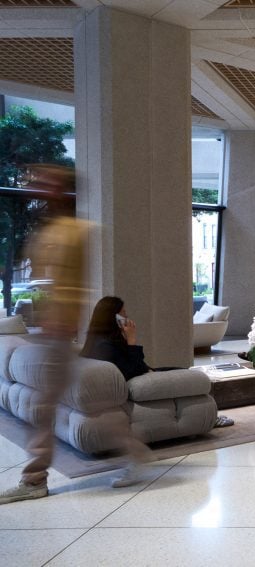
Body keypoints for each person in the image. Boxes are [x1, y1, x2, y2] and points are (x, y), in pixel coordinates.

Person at [0, 165, 96, 504]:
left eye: (46, 182)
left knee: (42, 407)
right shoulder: (46, 230)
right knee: (50, 404)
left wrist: (64, 322)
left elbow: (75, 285)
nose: (36, 186)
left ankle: (34, 478)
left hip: (59, 334)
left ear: (61, 189)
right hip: (46, 332)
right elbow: (45, 282)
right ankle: (136, 453)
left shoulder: (77, 231)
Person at [81, 296, 235, 426]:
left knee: (182, 371)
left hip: (144, 373)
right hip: (139, 377)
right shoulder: (106, 345)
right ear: (114, 318)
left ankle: (206, 416)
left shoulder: (98, 341)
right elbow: (135, 369)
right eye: (124, 315)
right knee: (187, 374)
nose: (127, 318)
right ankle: (210, 418)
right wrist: (132, 340)